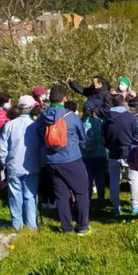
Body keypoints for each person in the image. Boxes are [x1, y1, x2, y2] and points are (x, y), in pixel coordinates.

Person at [36, 85, 90, 234]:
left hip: (51, 161)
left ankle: (66, 227)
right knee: (81, 192)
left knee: (61, 194)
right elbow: (82, 137)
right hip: (71, 158)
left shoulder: (42, 117)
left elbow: (39, 136)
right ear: (64, 99)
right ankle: (82, 227)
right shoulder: (71, 116)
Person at [0, 95, 41, 231]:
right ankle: (31, 225)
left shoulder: (9, 125)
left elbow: (2, 149)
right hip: (32, 166)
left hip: (14, 165)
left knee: (15, 196)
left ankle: (17, 225)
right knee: (30, 196)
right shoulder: (36, 125)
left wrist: (4, 163)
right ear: (32, 107)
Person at [103, 94, 138, 215]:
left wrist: (108, 146)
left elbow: (103, 136)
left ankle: (116, 207)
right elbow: (136, 132)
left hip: (113, 152)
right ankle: (135, 206)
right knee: (133, 179)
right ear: (123, 101)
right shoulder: (130, 117)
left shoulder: (107, 118)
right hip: (129, 151)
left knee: (114, 180)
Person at [83, 107, 108, 208]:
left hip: (87, 154)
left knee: (88, 179)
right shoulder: (102, 122)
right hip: (100, 153)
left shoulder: (85, 123)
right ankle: (101, 200)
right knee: (100, 178)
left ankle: (87, 199)